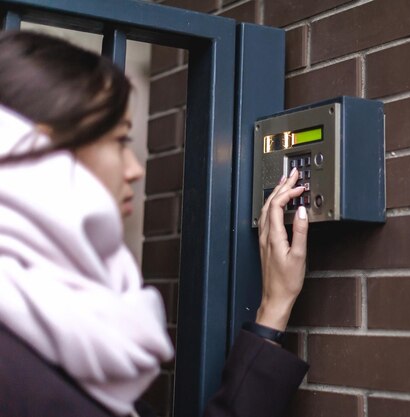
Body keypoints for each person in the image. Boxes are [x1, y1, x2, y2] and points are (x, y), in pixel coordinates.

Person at [0, 31, 309, 417]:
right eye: (118, 141)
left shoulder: (63, 306)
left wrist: (273, 307)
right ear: (39, 152)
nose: (135, 169)